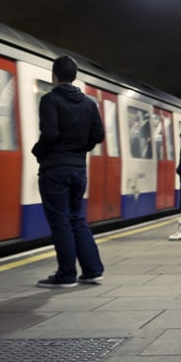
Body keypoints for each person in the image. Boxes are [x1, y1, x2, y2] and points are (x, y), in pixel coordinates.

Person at [32, 55, 106, 288]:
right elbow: (98, 136)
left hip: (55, 169)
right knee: (76, 217)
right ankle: (92, 270)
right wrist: (79, 150)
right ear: (75, 77)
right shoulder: (89, 103)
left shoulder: (50, 100)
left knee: (60, 220)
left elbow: (51, 134)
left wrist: (38, 151)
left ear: (54, 76)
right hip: (78, 169)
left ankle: (66, 274)